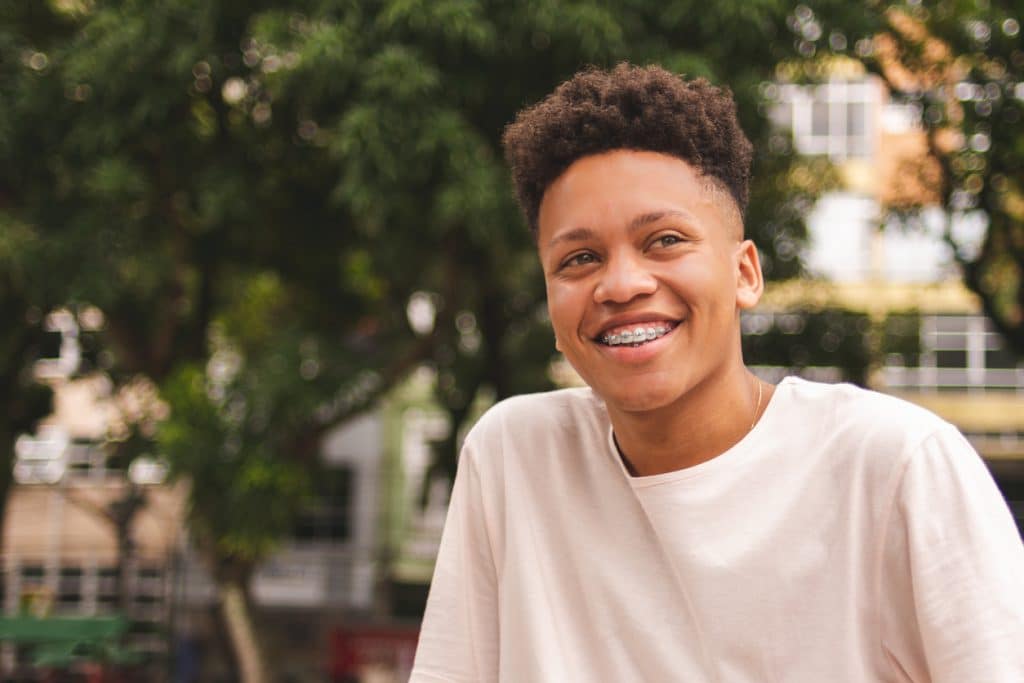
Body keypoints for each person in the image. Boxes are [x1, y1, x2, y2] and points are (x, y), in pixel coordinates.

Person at [410, 63, 1024, 682]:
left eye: (665, 240)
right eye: (580, 258)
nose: (621, 284)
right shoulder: (516, 457)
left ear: (744, 274)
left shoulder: (894, 465)